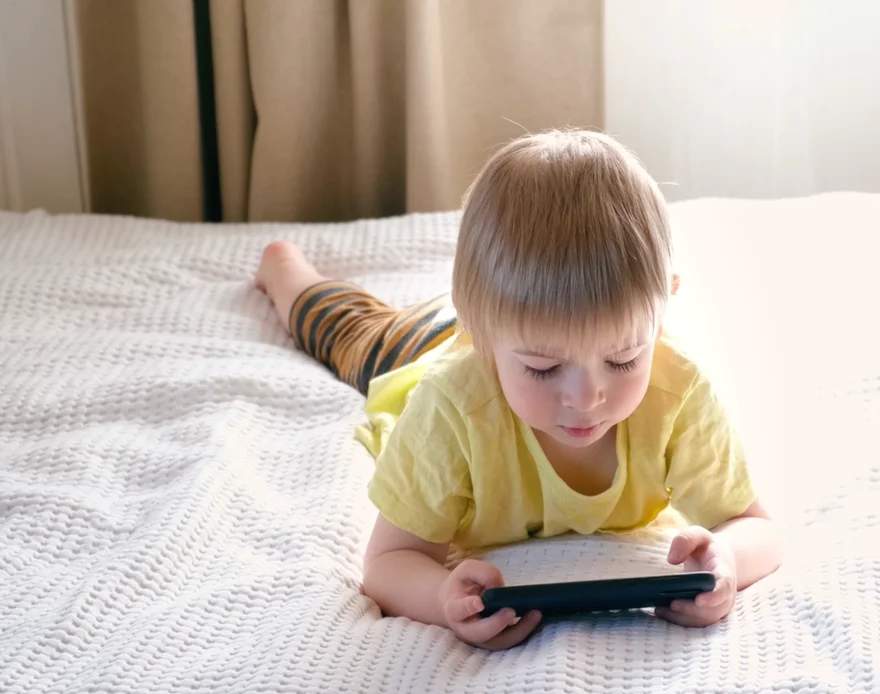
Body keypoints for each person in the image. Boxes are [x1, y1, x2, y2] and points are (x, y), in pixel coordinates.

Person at [254, 129, 781, 650]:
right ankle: (286, 270)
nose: (586, 397)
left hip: (501, 329)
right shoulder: (451, 405)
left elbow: (755, 528)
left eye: (623, 358)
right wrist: (442, 598)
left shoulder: (677, 393)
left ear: (661, 314)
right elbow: (387, 564)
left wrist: (728, 560)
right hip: (423, 346)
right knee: (351, 334)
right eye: (544, 369)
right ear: (482, 337)